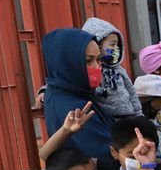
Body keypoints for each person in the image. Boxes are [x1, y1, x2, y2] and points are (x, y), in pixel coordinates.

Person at [41, 28, 114, 159]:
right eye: (88, 61)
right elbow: (108, 154)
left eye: (98, 60)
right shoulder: (75, 108)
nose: (97, 67)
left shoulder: (71, 91)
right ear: (66, 63)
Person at [81, 17, 142, 118]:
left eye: (117, 45)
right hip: (109, 119)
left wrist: (139, 114)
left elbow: (131, 93)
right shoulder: (92, 70)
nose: (116, 48)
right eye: (112, 44)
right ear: (97, 45)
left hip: (130, 116)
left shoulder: (119, 70)